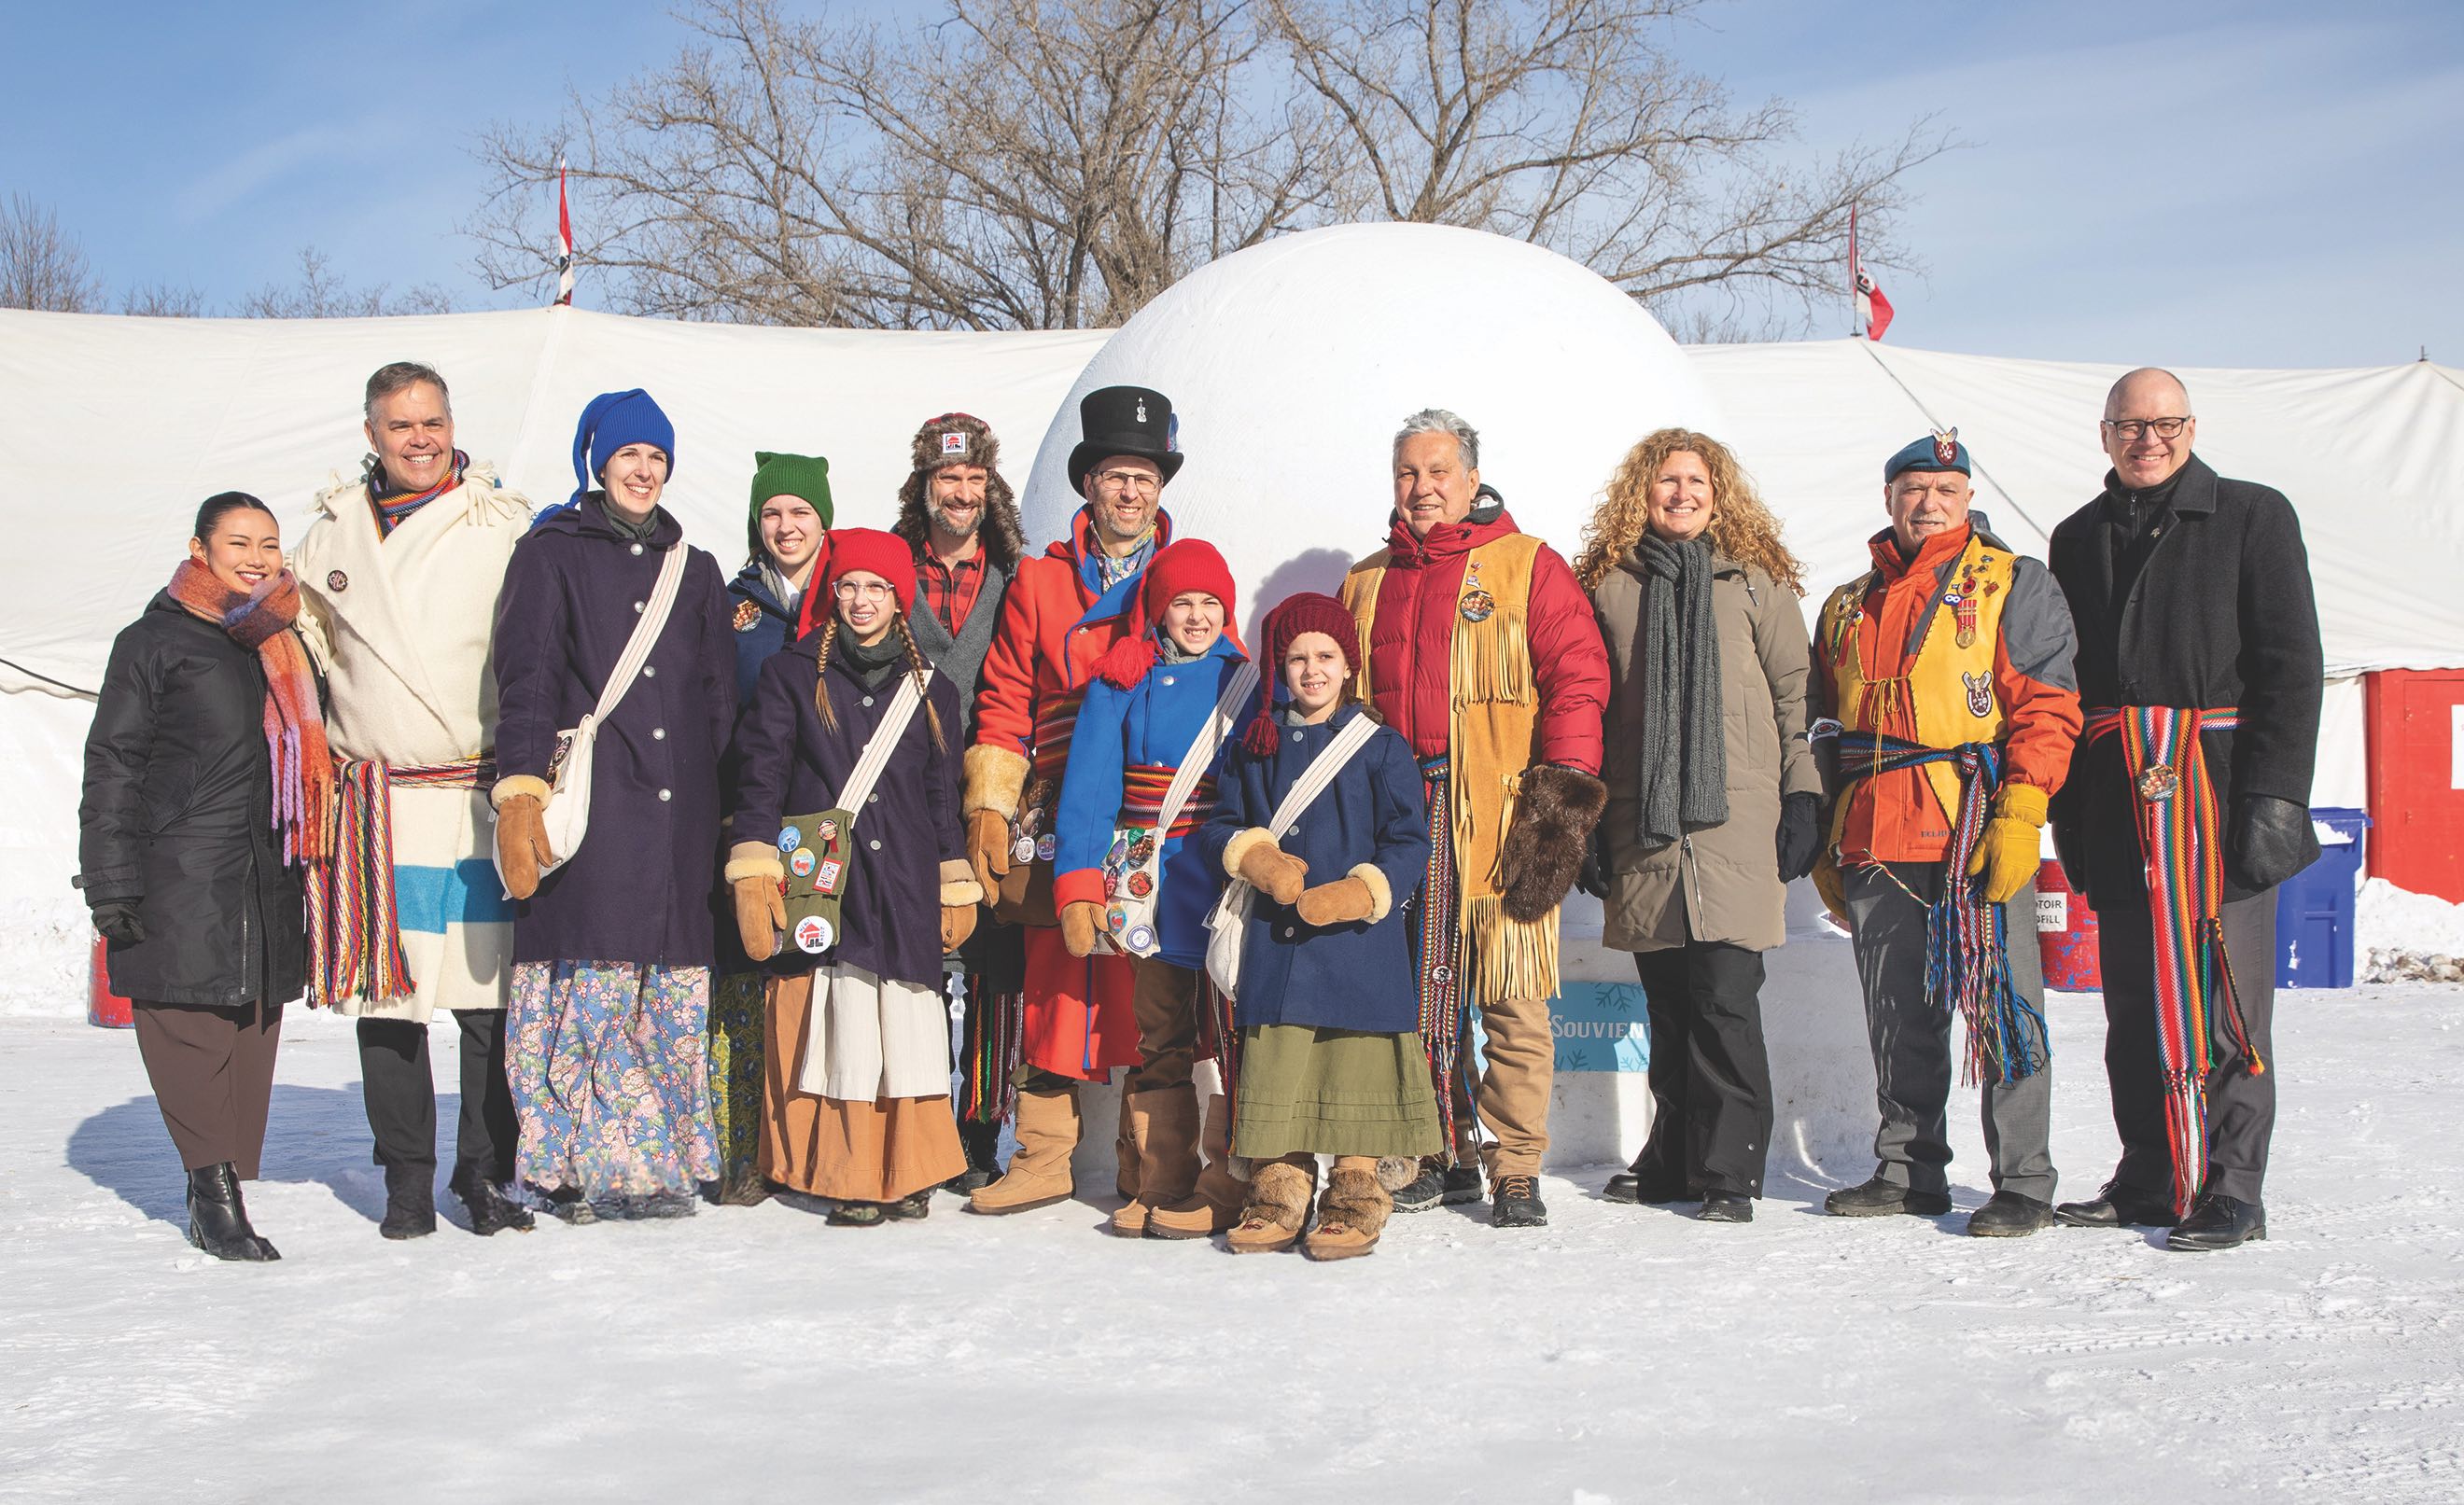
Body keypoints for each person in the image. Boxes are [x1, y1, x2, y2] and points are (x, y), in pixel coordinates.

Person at [2046, 368, 2324, 1253]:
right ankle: (2152, 1174)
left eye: (2165, 423)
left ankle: (2234, 1187)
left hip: (2220, 797)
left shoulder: (2252, 515)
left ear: (2192, 427)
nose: (2148, 439)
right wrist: (2073, 817)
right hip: (2122, 797)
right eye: (2130, 425)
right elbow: (2071, 687)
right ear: (2104, 434)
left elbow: (2291, 666)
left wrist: (2275, 797)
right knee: (2132, 1001)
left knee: (2230, 1004)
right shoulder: (2076, 536)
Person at [1337, 409, 1610, 1230]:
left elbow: (1577, 681)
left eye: (1437, 472)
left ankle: (1515, 1164)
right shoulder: (1366, 580)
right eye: (1407, 475)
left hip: (1499, 815)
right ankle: (1435, 1148)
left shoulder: (1528, 567)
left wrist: (1557, 816)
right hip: (1399, 816)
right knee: (1415, 992)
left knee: (1511, 992)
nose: (1422, 489)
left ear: (1470, 478)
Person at [1808, 430, 2081, 1236]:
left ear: (1967, 498)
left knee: (2004, 1011)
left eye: (1945, 490)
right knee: (1897, 1015)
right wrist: (1827, 833)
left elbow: (2046, 706)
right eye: (1913, 488)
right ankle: (1908, 1168)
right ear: (1888, 497)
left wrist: (2024, 812)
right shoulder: (1846, 604)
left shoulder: (2011, 583)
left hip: (1974, 826)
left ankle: (2025, 1180)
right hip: (1875, 833)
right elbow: (1825, 726)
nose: (1928, 503)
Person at [291, 361, 535, 1239]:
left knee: (486, 1003)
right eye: (401, 426)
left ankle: (483, 1175)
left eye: (432, 421)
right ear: (372, 435)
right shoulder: (326, 540)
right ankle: (405, 1179)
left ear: (451, 422)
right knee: (387, 1003)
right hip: (380, 806)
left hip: (475, 792)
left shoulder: (502, 523)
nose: (420, 439)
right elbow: (302, 664)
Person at [490, 389, 735, 1221]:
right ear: (598, 461)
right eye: (629, 455)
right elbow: (524, 681)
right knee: (589, 994)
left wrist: (733, 820)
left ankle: (652, 1168)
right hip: (597, 806)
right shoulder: (551, 553)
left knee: (664, 998)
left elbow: (717, 698)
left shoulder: (692, 568)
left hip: (680, 819)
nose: (643, 470)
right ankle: (564, 1169)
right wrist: (519, 792)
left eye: (657, 458)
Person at [77, 493, 332, 1261]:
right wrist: (111, 878)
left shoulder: (282, 639)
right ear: (199, 548)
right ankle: (212, 1193)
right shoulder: (154, 641)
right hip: (181, 866)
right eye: (238, 542)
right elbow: (113, 762)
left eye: (269, 543)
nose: (256, 558)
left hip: (265, 868)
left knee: (247, 1029)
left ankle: (219, 1175)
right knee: (187, 1028)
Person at [1575, 429, 1820, 1224]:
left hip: (1736, 822)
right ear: (1639, 493)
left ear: (1721, 492)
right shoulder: (1611, 585)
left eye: (1695, 480)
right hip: (1643, 819)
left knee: (1725, 999)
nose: (1681, 493)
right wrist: (1580, 823)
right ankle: (1675, 1154)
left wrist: (1806, 794)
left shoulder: (1756, 583)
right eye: (1665, 481)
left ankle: (1729, 1169)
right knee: (1669, 1002)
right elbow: (1590, 707)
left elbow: (1797, 699)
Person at [962, 385, 1185, 1216]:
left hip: (1146, 806)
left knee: (1143, 983)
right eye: (1115, 476)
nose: (1130, 493)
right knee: (1054, 979)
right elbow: (1007, 691)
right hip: (1058, 808)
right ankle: (1044, 1156)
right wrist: (991, 799)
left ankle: (1148, 1163)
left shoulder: (1182, 575)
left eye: (1144, 479)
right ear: (1088, 484)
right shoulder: (1041, 579)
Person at [727, 528, 978, 1224]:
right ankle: (849, 1172)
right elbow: (762, 779)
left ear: (901, 599)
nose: (861, 600)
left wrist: (953, 876)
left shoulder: (935, 690)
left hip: (901, 880)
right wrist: (752, 863)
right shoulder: (790, 675)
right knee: (838, 1028)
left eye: (877, 587)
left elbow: (940, 799)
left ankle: (912, 1169)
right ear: (831, 592)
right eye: (849, 586)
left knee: (906, 1024)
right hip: (824, 882)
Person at [1196, 592, 1437, 1259]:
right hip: (1281, 943)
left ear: (1348, 664)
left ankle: (1357, 1191)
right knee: (1283, 1070)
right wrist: (1258, 858)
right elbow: (1220, 821)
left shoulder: (1381, 747)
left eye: (1325, 656)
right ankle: (1279, 1187)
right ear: (1281, 666)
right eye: (1298, 657)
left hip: (1360, 946)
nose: (1312, 670)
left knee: (1356, 1071)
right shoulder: (1256, 743)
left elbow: (1409, 841)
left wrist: (1362, 892)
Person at [1051, 538, 1253, 1238]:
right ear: (1159, 610)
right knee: (1159, 1029)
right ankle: (1163, 1174)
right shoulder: (1123, 677)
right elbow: (1089, 787)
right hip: (1148, 881)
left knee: (1233, 1033)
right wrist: (1077, 880)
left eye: (1210, 604)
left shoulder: (1249, 683)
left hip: (1224, 874)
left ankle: (1227, 1180)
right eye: (1182, 603)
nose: (1196, 617)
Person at [887, 413, 1028, 1194]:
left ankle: (979, 1127)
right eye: (949, 479)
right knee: (916, 964)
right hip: (904, 793)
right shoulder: (890, 569)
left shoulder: (1013, 573)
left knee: (991, 966)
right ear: (925, 485)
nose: (962, 493)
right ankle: (917, 1123)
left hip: (988, 791)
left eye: (975, 480)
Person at [709, 450, 833, 1205]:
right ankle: (741, 1150)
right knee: (742, 982)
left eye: (800, 512)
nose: (786, 526)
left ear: (825, 520)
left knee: (812, 984)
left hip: (823, 822)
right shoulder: (730, 606)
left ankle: (810, 1144)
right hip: (745, 816)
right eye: (773, 513)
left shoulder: (852, 596)